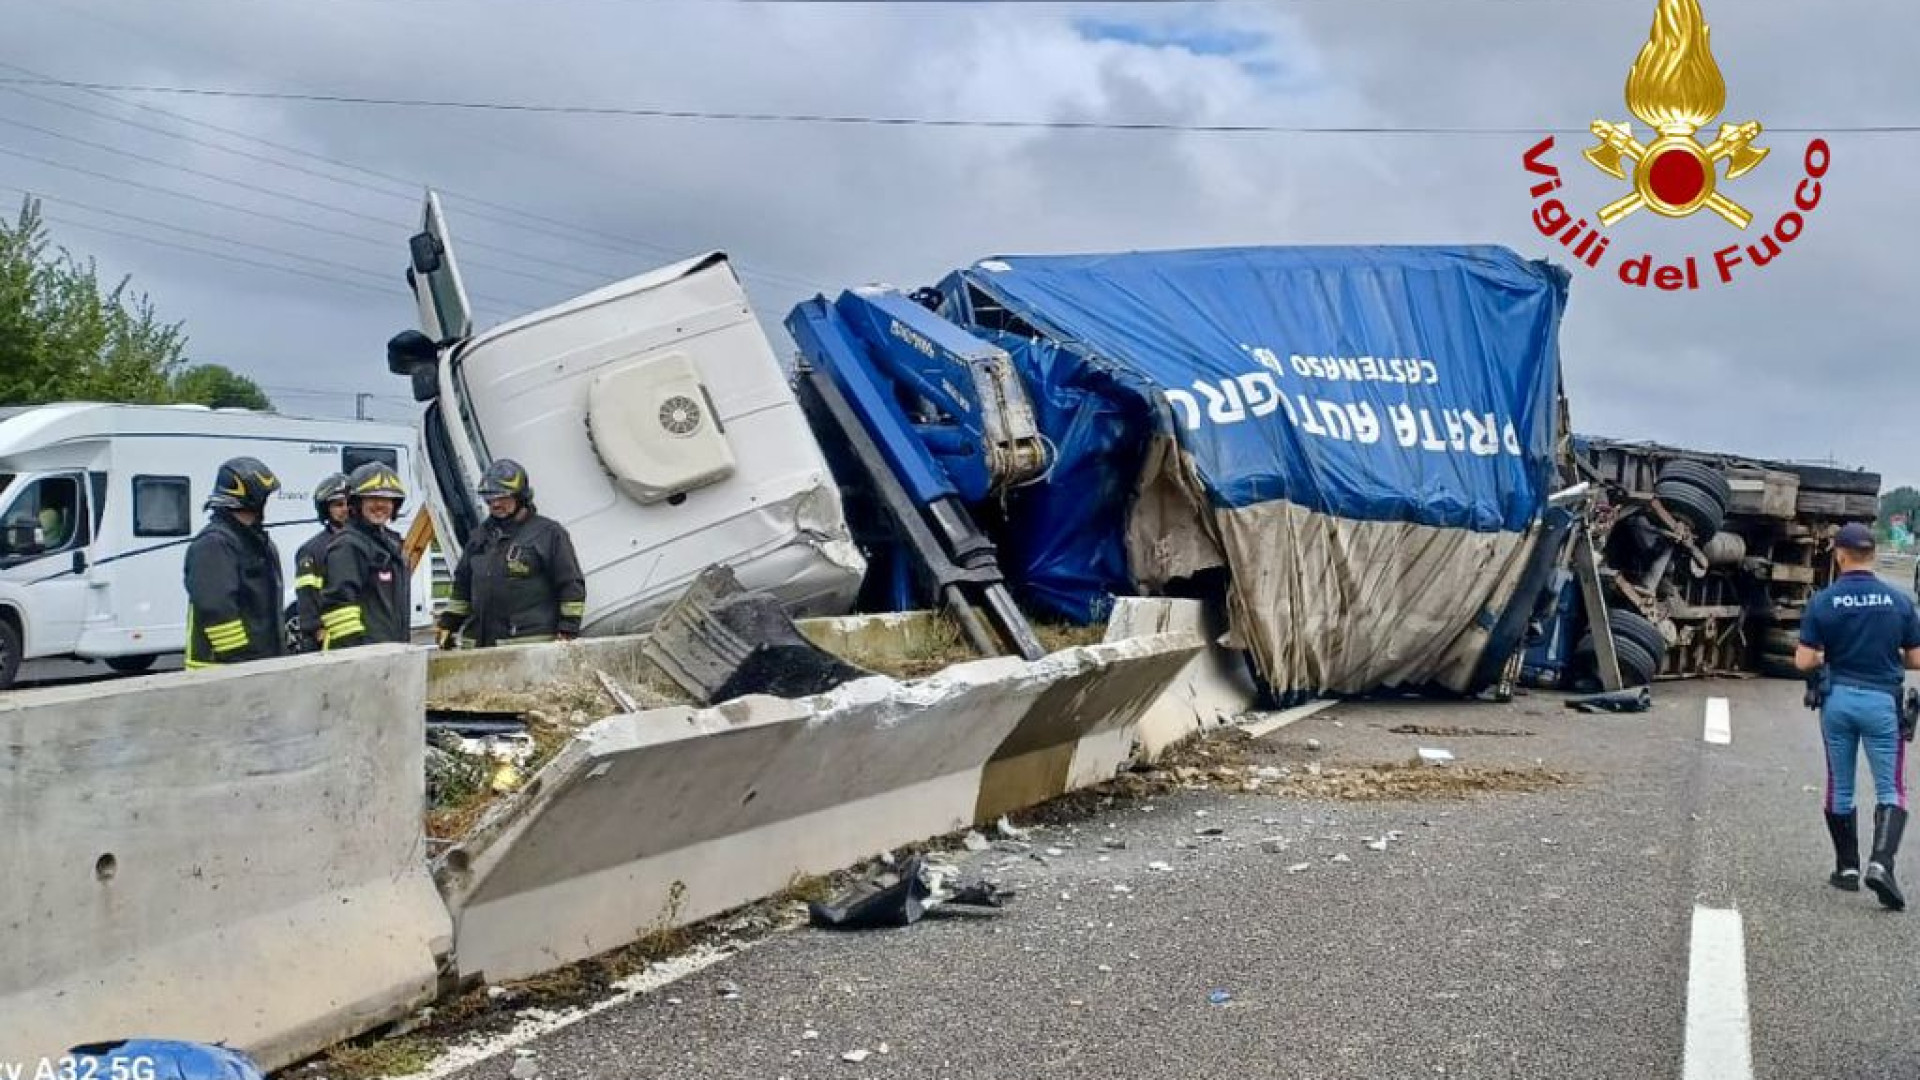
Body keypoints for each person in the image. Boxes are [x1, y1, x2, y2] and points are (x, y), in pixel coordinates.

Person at [1796, 521, 1920, 911]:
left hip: (1838, 702)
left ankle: (1847, 868)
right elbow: (1916, 658)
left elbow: (1804, 659)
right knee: (1891, 788)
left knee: (1840, 785)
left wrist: (1822, 656)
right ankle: (1881, 864)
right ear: (1875, 555)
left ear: (1840, 554)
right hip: (1882, 703)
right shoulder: (1900, 602)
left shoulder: (1824, 601)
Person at [436, 459, 586, 649]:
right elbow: (462, 587)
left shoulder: (549, 534)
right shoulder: (479, 537)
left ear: (521, 497)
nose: (495, 503)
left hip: (527, 646)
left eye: (502, 497)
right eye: (490, 497)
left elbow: (571, 585)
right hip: (479, 647)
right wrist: (449, 624)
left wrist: (567, 631)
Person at [183, 457, 284, 669]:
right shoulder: (214, 544)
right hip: (222, 672)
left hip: (257, 666)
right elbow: (217, 609)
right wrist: (240, 663)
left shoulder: (254, 542)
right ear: (253, 498)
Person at [319, 462, 412, 649]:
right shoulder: (347, 545)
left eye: (387, 499)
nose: (380, 505)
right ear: (356, 503)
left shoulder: (389, 544)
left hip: (392, 652)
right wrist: (359, 658)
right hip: (367, 658)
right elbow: (339, 607)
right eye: (372, 498)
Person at [291, 472, 350, 652]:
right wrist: (316, 629)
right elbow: (306, 596)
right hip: (325, 640)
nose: (345, 509)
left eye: (350, 504)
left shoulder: (364, 546)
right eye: (338, 505)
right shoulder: (311, 550)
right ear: (326, 509)